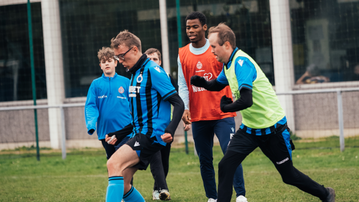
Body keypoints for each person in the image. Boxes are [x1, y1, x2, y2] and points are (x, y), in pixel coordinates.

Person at [191, 22, 335, 202]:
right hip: (250, 130)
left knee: (288, 175)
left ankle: (325, 194)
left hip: (273, 129)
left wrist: (226, 108)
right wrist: (203, 83)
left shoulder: (241, 63)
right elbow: (218, 83)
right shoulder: (228, 64)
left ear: (226, 45)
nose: (211, 50)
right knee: (226, 165)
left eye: (213, 46)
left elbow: (246, 100)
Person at [105, 30, 184, 202]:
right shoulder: (134, 73)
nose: (120, 61)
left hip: (151, 135)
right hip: (139, 134)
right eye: (117, 57)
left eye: (122, 56)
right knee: (124, 182)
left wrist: (170, 129)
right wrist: (118, 134)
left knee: (113, 164)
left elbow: (178, 103)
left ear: (134, 50)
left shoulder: (153, 70)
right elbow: (139, 118)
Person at [177, 11, 246, 202]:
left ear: (204, 28)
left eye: (195, 26)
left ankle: (240, 195)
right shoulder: (182, 54)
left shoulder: (216, 49)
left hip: (222, 114)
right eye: (188, 27)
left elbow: (231, 75)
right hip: (199, 116)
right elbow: (183, 85)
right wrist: (185, 107)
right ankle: (212, 197)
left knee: (231, 153)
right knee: (205, 160)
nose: (190, 30)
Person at [84, 47, 133, 160]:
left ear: (115, 63)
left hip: (125, 132)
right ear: (100, 65)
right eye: (103, 61)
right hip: (105, 134)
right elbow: (91, 106)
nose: (107, 64)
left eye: (109, 61)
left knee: (124, 165)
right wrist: (91, 124)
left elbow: (134, 105)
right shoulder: (96, 84)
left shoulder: (126, 82)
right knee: (112, 164)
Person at [144, 48, 176, 200]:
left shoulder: (167, 78)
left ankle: (157, 189)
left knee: (164, 161)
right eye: (149, 59)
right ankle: (163, 189)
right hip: (149, 128)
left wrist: (184, 118)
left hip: (166, 127)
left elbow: (178, 100)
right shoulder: (142, 79)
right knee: (155, 158)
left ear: (160, 61)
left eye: (155, 59)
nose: (152, 62)